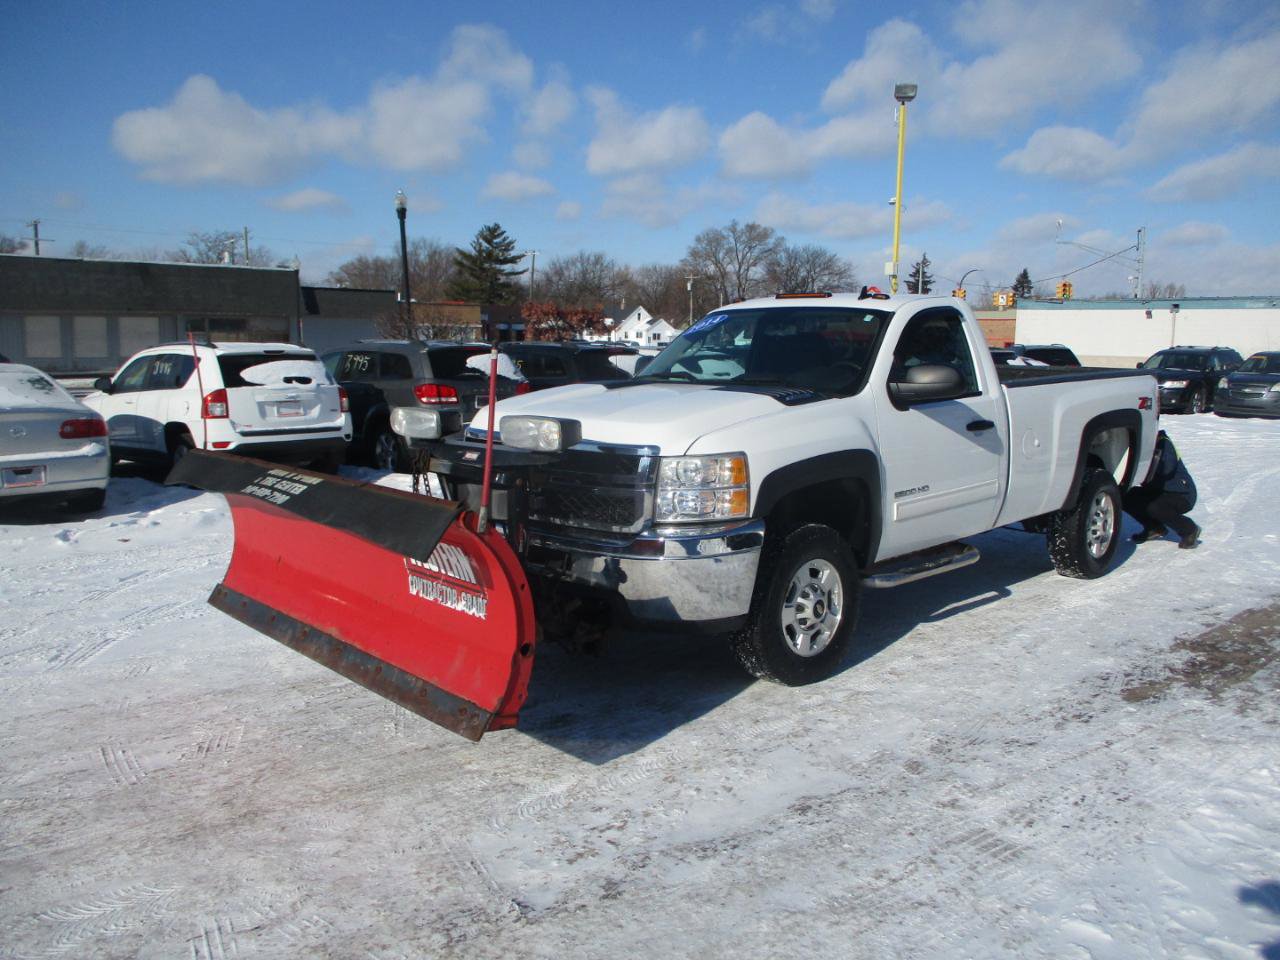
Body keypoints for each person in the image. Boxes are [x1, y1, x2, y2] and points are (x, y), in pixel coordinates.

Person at [1124, 429, 1200, 549]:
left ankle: (1190, 529)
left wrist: (1144, 463)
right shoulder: (1144, 445)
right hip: (1159, 491)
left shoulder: (1163, 443)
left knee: (1155, 507)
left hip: (1182, 494)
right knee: (1125, 497)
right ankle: (1154, 527)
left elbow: (1166, 468)